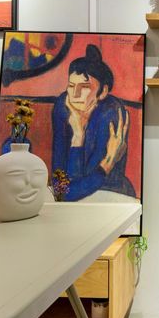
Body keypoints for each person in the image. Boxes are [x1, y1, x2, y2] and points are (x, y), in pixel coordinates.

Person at [51, 44, 135, 201]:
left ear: (103, 92)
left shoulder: (111, 111)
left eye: (84, 87)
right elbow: (61, 189)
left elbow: (76, 187)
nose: (75, 94)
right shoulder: (63, 106)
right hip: (82, 198)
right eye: (71, 86)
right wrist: (78, 135)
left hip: (111, 195)